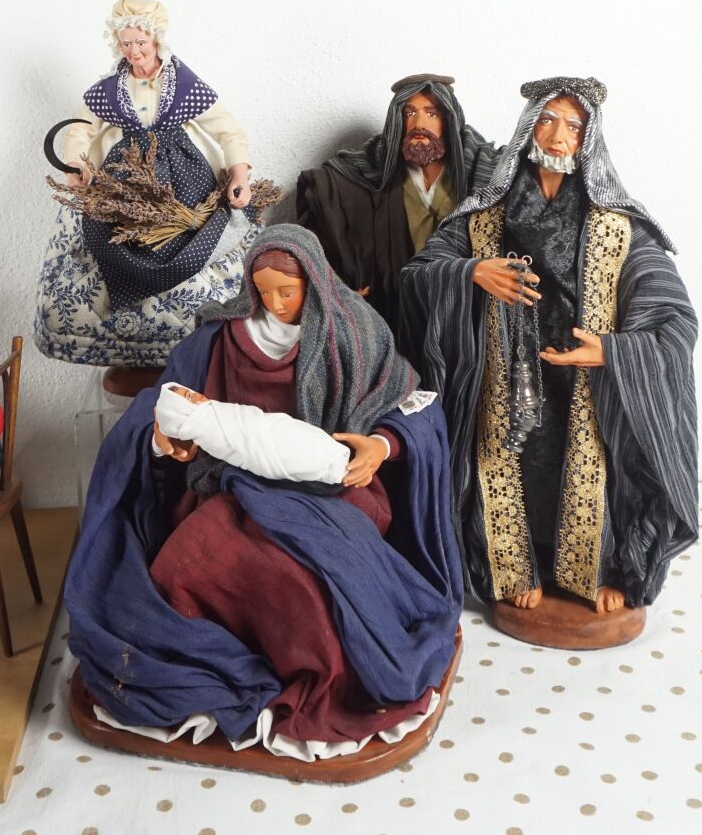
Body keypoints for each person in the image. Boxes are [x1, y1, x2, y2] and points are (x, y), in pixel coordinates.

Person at [65, 225, 462, 761]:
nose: (275, 304)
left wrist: (381, 445)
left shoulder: (355, 332)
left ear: (314, 282)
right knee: (194, 555)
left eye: (287, 292)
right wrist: (166, 441)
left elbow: (412, 402)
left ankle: (328, 669)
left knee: (307, 583)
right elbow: (164, 404)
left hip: (330, 495)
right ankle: (207, 656)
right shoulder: (218, 340)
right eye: (263, 290)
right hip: (228, 489)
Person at [400, 76, 698, 613]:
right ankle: (514, 564)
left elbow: (672, 312)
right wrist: (473, 272)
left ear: (588, 140)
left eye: (574, 127)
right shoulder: (486, 212)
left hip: (586, 376)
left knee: (593, 463)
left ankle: (602, 568)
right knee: (513, 461)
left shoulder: (615, 222)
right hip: (508, 371)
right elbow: (420, 273)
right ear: (528, 128)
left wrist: (613, 352)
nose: (559, 137)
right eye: (548, 121)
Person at [35, 0, 259, 365]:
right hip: (125, 176)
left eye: (140, 42)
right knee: (104, 231)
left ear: (156, 40)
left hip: (184, 178)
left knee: (197, 233)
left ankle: (192, 321)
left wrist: (239, 172)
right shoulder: (110, 88)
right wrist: (76, 163)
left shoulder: (182, 83)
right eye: (126, 43)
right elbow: (81, 129)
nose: (134, 51)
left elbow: (227, 130)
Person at [296, 73, 501, 333]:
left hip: (462, 309)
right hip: (395, 310)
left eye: (432, 113)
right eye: (409, 113)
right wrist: (335, 289)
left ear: (449, 120)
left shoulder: (483, 169)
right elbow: (321, 209)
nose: (419, 124)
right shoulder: (369, 171)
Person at [153, 383, 351, 485]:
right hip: (244, 471)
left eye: (190, 393)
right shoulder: (211, 338)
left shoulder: (347, 330)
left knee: (298, 439)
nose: (197, 396)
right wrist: (159, 439)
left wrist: (372, 442)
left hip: (275, 428)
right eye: (189, 397)